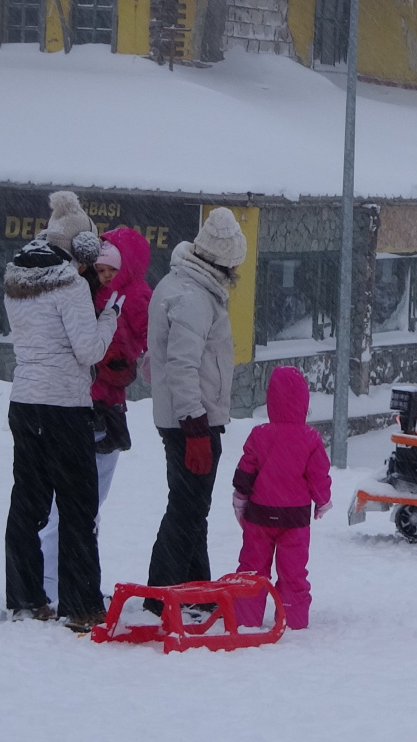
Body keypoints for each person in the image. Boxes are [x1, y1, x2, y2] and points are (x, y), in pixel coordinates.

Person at [2, 191, 121, 630]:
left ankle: (25, 598)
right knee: (77, 506)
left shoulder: (16, 277)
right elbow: (88, 349)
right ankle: (82, 605)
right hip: (64, 406)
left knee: (27, 502)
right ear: (80, 247)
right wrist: (109, 316)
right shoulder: (68, 283)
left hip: (25, 401)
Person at [40, 228, 152, 605]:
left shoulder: (123, 296)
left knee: (82, 505)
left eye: (110, 269)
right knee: (77, 504)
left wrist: (125, 359)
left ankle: (71, 580)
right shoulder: (99, 293)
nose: (103, 275)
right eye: (100, 269)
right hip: (89, 408)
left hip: (99, 408)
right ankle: (58, 582)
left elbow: (142, 342)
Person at [144, 207, 247, 612]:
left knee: (192, 509)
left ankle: (196, 591)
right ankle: (161, 596)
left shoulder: (180, 285)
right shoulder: (193, 298)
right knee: (186, 510)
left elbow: (161, 361)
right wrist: (195, 425)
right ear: (223, 263)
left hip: (185, 417)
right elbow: (181, 366)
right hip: (191, 421)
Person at [231, 366, 333, 630]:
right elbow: (318, 475)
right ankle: (292, 618)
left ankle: (247, 618)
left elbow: (246, 471)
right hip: (294, 519)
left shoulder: (260, 435)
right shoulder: (310, 438)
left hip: (259, 515)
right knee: (293, 572)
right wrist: (323, 501)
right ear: (304, 403)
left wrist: (240, 498)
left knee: (252, 568)